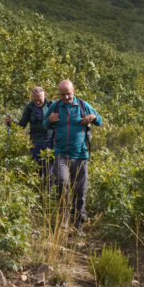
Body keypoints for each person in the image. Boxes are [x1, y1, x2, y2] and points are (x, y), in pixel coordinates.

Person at [43, 79, 102, 231]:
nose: (66, 97)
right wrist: (49, 120)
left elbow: (99, 120)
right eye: (63, 94)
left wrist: (92, 117)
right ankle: (63, 220)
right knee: (62, 183)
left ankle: (78, 224)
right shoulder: (55, 107)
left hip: (80, 155)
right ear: (59, 94)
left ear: (73, 92)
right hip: (61, 155)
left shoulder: (83, 105)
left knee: (80, 191)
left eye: (68, 94)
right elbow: (44, 125)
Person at [5, 86, 53, 181]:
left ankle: (49, 191)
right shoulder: (29, 108)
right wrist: (11, 123)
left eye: (40, 100)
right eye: (35, 100)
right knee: (36, 169)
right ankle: (38, 190)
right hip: (35, 142)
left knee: (49, 170)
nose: (38, 102)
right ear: (32, 98)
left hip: (50, 141)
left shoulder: (52, 105)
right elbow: (21, 125)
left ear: (45, 96)